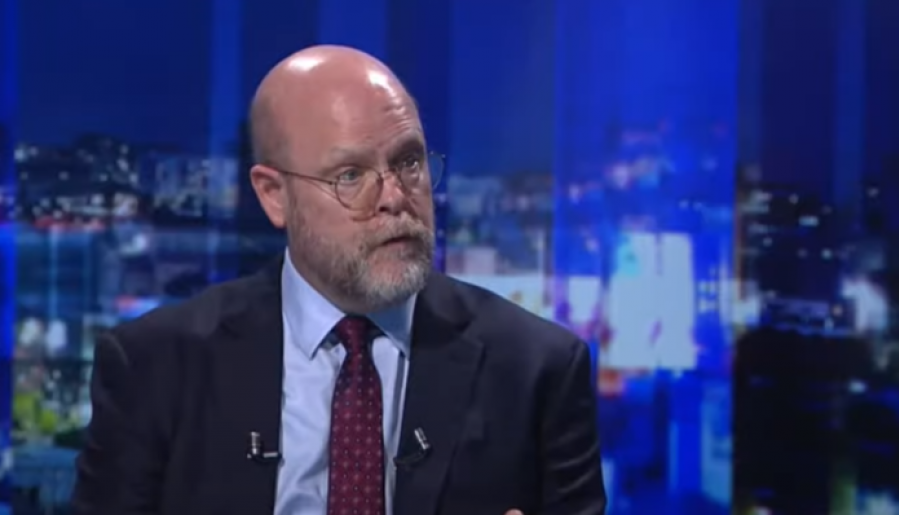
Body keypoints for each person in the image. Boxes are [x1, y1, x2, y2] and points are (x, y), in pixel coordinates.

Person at [70, 45, 606, 515]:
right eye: (350, 175)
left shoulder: (538, 370)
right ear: (274, 196)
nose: (394, 197)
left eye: (409, 163)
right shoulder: (156, 367)